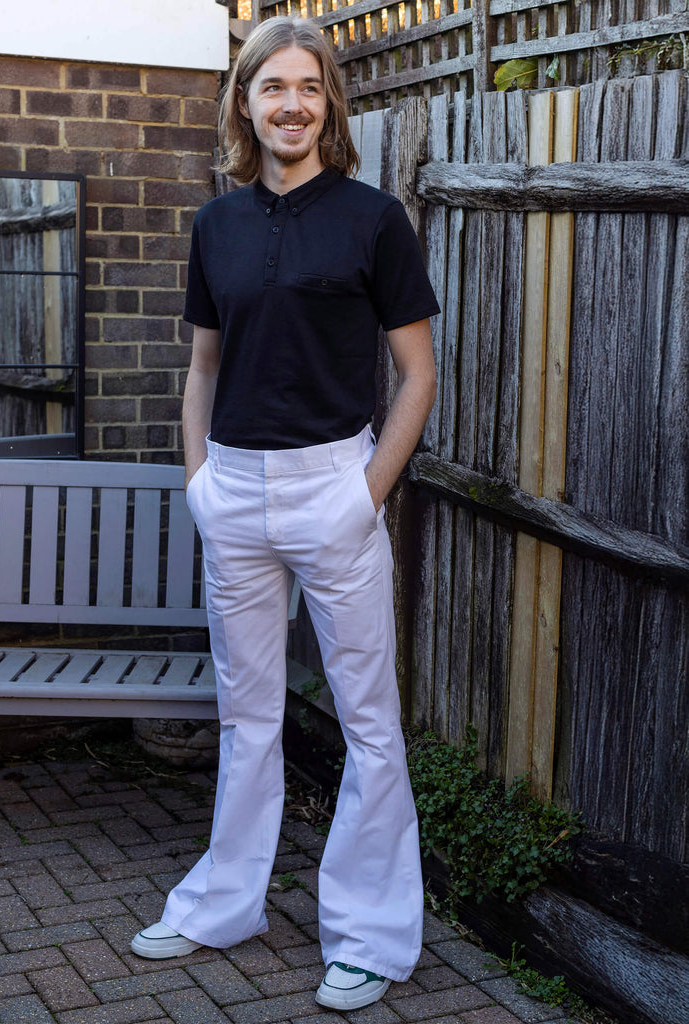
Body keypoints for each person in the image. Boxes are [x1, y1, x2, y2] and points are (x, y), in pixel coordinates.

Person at [130, 14, 440, 1012]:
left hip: (333, 487)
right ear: (246, 104)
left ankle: (371, 935)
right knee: (248, 715)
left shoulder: (372, 219)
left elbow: (418, 374)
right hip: (235, 491)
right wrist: (200, 481)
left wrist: (366, 494)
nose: (291, 103)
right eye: (273, 87)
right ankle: (226, 903)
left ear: (329, 103)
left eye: (309, 86)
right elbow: (202, 368)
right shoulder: (215, 224)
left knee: (369, 722)